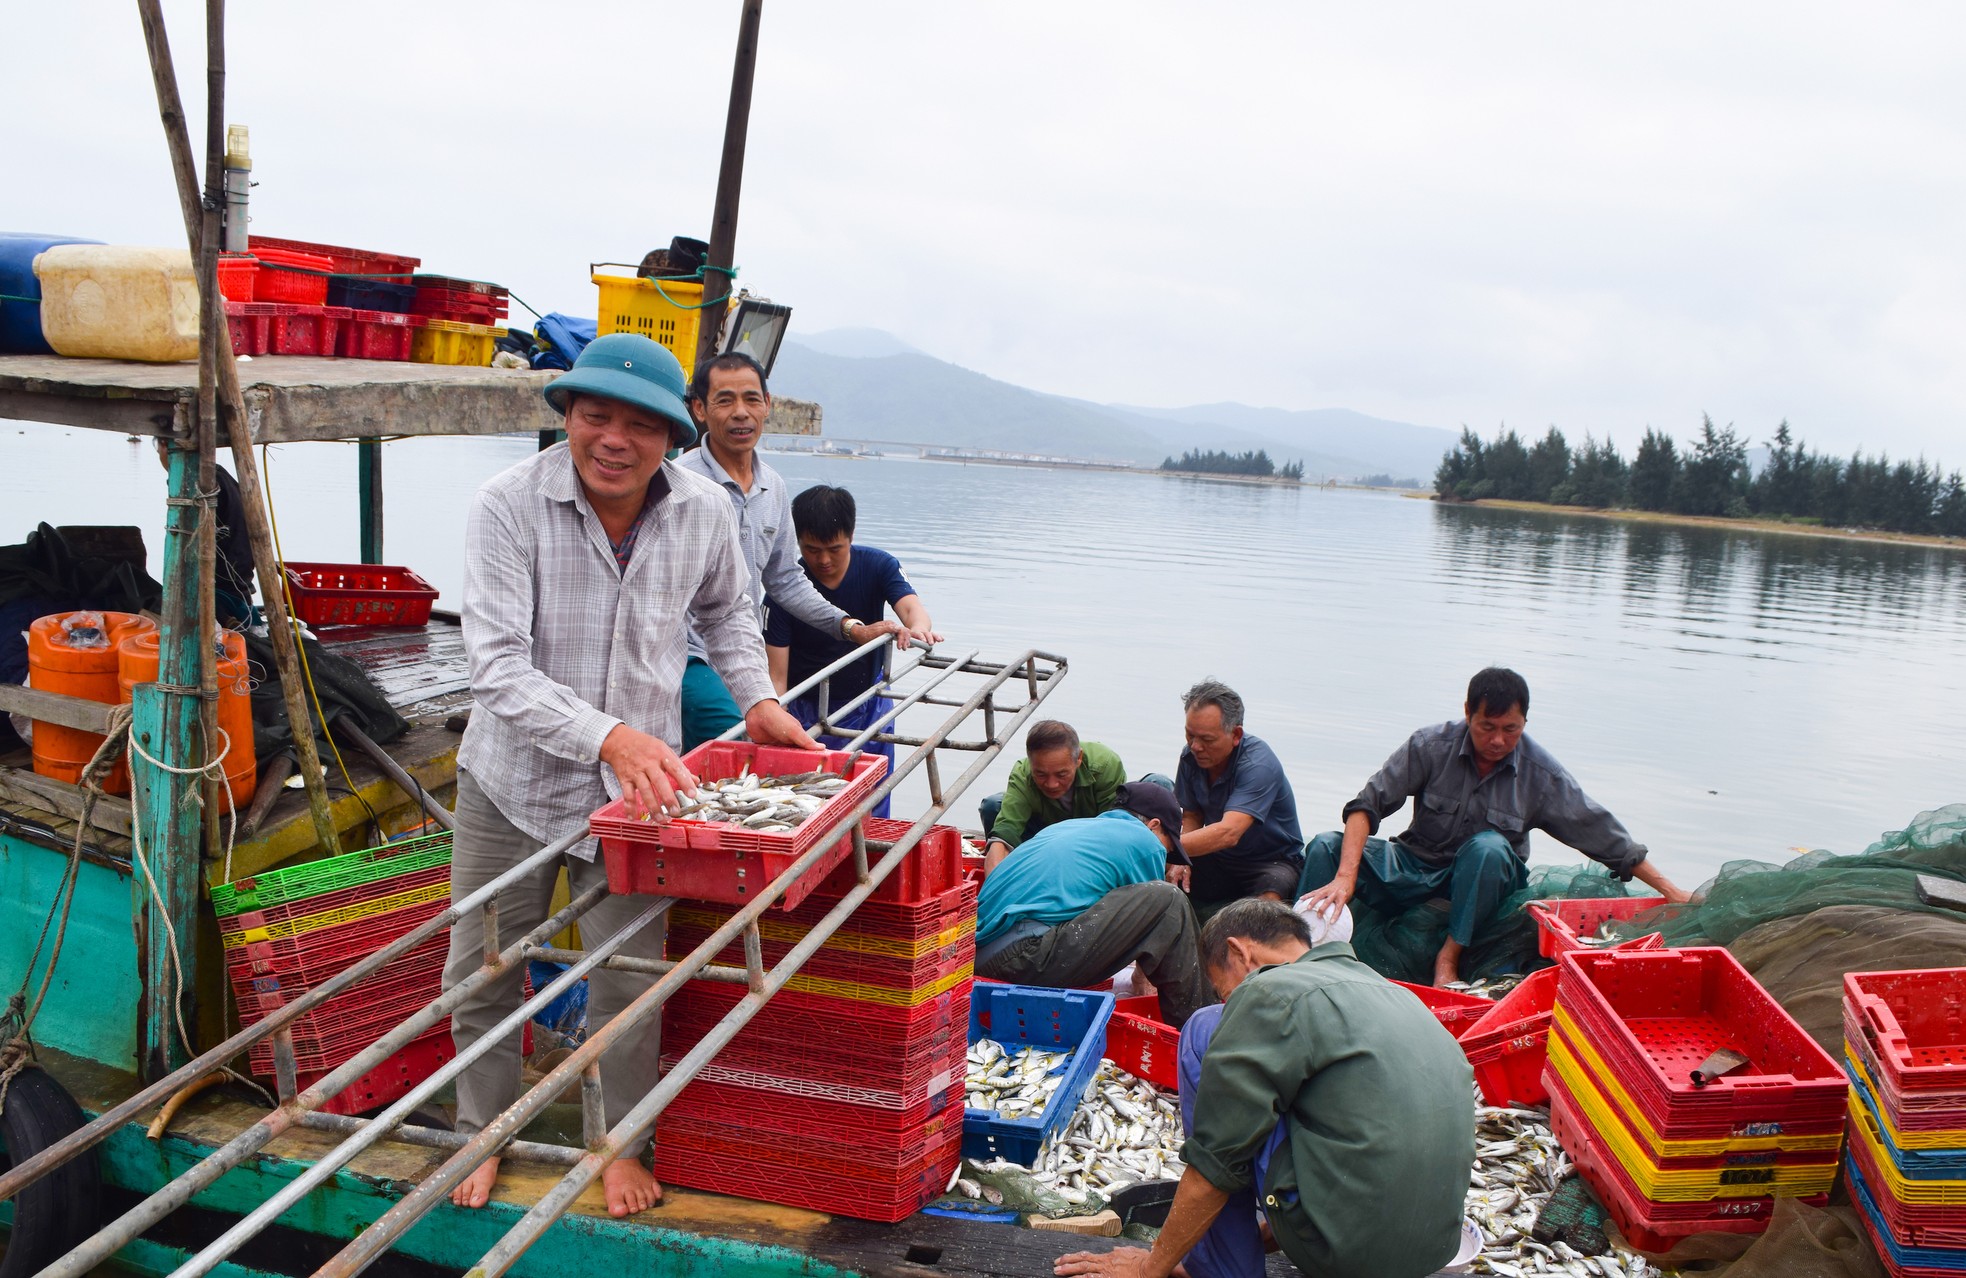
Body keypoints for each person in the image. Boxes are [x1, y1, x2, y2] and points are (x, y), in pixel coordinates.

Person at [445, 333, 817, 1216]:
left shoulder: (702, 510)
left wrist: (756, 698)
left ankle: (618, 1146)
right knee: (485, 970)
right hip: (513, 787)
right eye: (594, 416)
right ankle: (480, 1134)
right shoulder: (507, 505)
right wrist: (607, 734)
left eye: (639, 425)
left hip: (638, 799)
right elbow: (494, 667)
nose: (614, 439)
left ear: (674, 431)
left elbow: (729, 612)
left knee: (631, 979)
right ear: (568, 416)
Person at [1055, 898, 1475, 1278]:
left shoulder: (1268, 990)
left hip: (1346, 1255)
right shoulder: (1395, 995)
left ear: (1240, 952)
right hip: (1432, 1250)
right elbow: (1359, 1147)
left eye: (1224, 990)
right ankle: (1232, 1254)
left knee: (1205, 1028)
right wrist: (1263, 1238)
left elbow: (1218, 1161)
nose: (1229, 1002)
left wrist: (1150, 1269)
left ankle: (1221, 1269)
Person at [1299, 666, 1693, 988]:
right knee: (1325, 846)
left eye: (1511, 729)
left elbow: (1604, 835)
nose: (1499, 740)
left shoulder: (1541, 774)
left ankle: (1448, 958)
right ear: (1468, 711)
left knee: (1486, 848)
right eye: (1487, 727)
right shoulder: (1429, 746)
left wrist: (1671, 891)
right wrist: (1346, 877)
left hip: (1486, 885)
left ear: (1525, 721)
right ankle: (1297, 949)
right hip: (1416, 864)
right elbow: (1365, 807)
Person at [673, 353, 912, 749]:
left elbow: (784, 580)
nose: (740, 413)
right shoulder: (682, 483)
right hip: (687, 656)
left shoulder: (773, 487)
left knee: (743, 759)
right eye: (724, 400)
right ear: (699, 408)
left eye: (751, 399)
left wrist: (851, 628)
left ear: (767, 404)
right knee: (745, 745)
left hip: (741, 657)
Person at [763, 483, 940, 815]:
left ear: (851, 535)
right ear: (797, 540)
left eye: (835, 548)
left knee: (873, 794)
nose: (824, 560)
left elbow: (912, 609)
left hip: (867, 700)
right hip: (807, 706)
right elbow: (776, 676)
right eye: (812, 550)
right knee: (808, 803)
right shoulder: (784, 588)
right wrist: (779, 718)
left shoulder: (878, 565)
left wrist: (917, 630)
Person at [974, 782, 1212, 1028]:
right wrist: (1144, 981)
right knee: (1168, 899)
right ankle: (1199, 1031)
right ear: (1154, 825)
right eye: (1167, 846)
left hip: (980, 956)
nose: (1162, 854)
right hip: (1024, 956)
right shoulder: (1144, 840)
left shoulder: (1071, 827)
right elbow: (1156, 927)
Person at [1173, 680, 1304, 907]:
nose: (1195, 746)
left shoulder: (1259, 764)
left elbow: (1229, 832)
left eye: (1207, 739)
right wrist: (1179, 860)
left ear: (1236, 734)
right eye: (1190, 735)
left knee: (1270, 896)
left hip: (1271, 862)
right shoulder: (1190, 756)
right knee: (1167, 877)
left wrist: (1164, 847)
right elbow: (1192, 815)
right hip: (1221, 857)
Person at [981, 720, 1127, 872]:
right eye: (1041, 774)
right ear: (1031, 763)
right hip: (1043, 831)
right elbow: (1007, 828)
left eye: (1061, 774)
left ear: (1079, 758)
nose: (1052, 784)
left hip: (1090, 835)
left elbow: (1110, 830)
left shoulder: (1106, 765)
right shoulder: (1022, 773)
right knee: (993, 805)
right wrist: (995, 880)